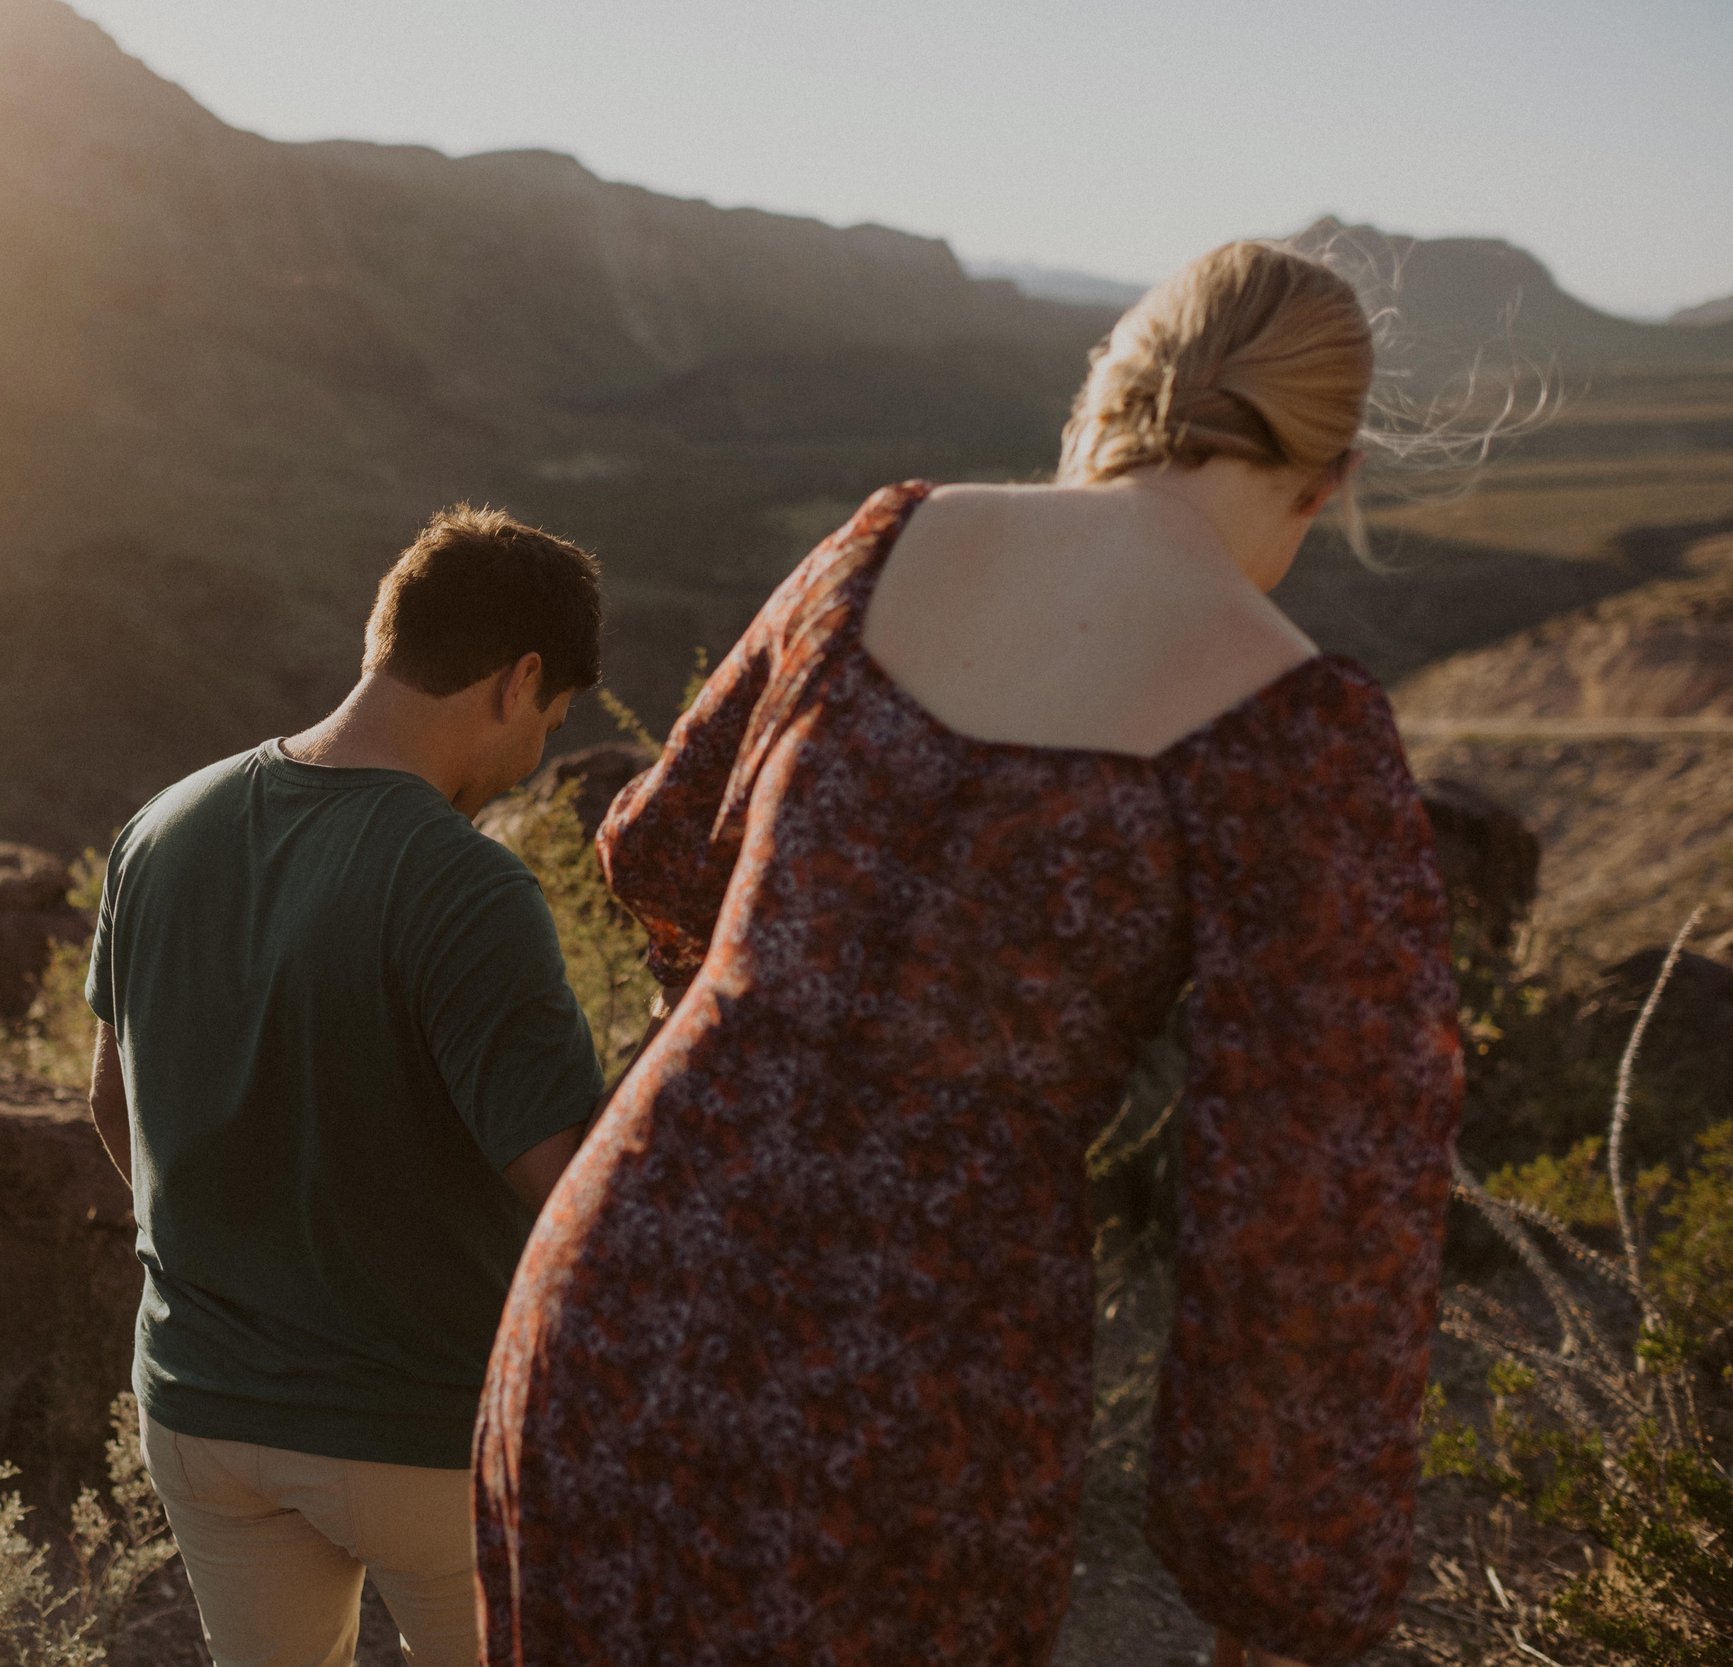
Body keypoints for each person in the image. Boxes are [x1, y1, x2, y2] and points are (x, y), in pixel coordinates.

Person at [474, 242, 1465, 1667]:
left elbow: (663, 843)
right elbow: (1323, 1186)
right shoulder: (1295, 726)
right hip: (920, 1366)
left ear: (1108, 400)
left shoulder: (878, 540)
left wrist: (771, 1030)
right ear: (1329, 478)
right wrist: (1280, 1575)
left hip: (623, 1272)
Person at [84, 504, 606, 1667]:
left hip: (202, 1407)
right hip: (425, 1427)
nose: (534, 760)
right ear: (519, 680)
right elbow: (570, 1184)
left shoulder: (158, 829)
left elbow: (113, 1107)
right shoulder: (466, 886)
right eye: (553, 722)